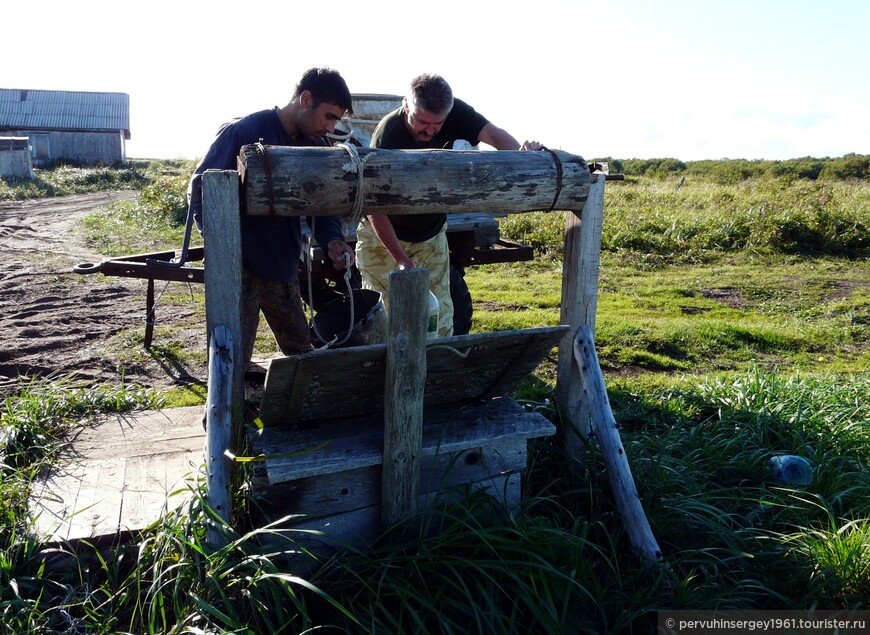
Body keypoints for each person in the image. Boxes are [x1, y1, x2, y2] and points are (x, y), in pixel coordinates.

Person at [187, 67, 356, 369]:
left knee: (300, 353)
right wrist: (223, 249)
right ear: (305, 99)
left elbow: (322, 205)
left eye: (336, 120)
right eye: (329, 116)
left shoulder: (316, 146)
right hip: (239, 269)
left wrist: (332, 240)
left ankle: (294, 414)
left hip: (282, 265)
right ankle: (228, 416)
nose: (331, 128)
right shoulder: (245, 132)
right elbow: (201, 189)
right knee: (231, 360)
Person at [355, 73, 543, 337]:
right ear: (407, 105)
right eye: (422, 122)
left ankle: (436, 375)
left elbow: (495, 135)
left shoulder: (457, 112)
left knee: (440, 321)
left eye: (437, 124)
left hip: (431, 235)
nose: (430, 130)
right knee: (385, 326)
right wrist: (401, 258)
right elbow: (373, 207)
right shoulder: (387, 134)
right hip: (383, 239)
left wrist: (523, 159)